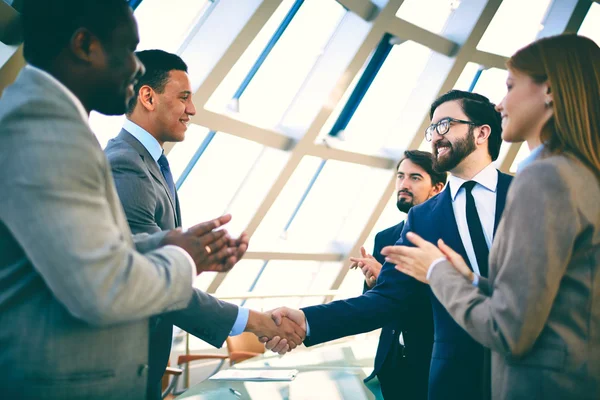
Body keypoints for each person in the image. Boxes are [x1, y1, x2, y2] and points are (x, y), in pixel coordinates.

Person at [0, 1, 303, 399]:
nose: (135, 66)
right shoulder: (47, 130)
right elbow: (104, 286)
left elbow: (87, 251)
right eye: (128, 49)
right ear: (83, 44)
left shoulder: (53, 122)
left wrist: (166, 243)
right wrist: (185, 258)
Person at [386, 34, 600, 400]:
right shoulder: (582, 174)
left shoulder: (543, 178)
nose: (500, 104)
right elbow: (564, 300)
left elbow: (509, 331)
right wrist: (472, 281)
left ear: (549, 90)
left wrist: (438, 272)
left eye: (511, 86)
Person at [265, 89, 511, 400]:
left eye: (445, 125)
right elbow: (387, 299)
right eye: (431, 129)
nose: (435, 137)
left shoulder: (528, 193)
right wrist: (307, 319)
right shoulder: (422, 218)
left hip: (538, 373)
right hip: (456, 383)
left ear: (481, 133)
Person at [104, 49, 279, 400]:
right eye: (183, 97)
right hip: (123, 371)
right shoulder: (126, 165)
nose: (192, 110)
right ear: (148, 97)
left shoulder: (150, 163)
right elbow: (152, 278)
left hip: (142, 370)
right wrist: (254, 321)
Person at [349, 150, 445, 399]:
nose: (403, 184)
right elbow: (376, 310)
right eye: (400, 176)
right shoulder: (385, 237)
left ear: (437, 188)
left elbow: (446, 305)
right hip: (391, 366)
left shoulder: (446, 239)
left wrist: (391, 282)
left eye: (415, 178)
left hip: (434, 365)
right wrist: (373, 283)